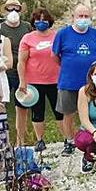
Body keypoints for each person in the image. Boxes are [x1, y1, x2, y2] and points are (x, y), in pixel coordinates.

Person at [52, 4, 96, 155]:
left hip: (92, 83)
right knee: (68, 112)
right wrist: (68, 65)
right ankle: (69, 141)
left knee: (93, 112)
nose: (83, 19)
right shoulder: (63, 34)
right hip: (68, 81)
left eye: (86, 16)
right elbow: (55, 56)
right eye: (80, 16)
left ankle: (93, 140)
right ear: (73, 17)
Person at [17, 8, 65, 151]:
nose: (41, 22)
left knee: (60, 112)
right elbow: (21, 62)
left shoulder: (57, 36)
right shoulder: (27, 38)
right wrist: (22, 81)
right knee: (37, 112)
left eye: (44, 19)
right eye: (38, 20)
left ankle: (67, 139)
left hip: (56, 81)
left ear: (49, 21)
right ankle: (39, 140)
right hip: (35, 81)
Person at [0, 0, 33, 140]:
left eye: (16, 8)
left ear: (20, 10)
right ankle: (2, 138)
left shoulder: (26, 27)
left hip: (24, 73)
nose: (13, 11)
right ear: (5, 10)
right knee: (0, 105)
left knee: (22, 107)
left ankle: (21, 140)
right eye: (9, 8)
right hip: (5, 73)